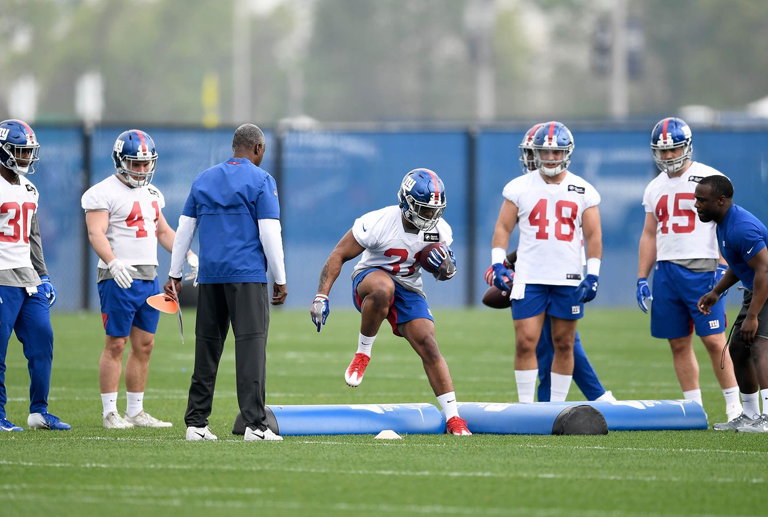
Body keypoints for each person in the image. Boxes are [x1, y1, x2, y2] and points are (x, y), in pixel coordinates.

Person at [310, 168, 471, 436]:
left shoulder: (440, 230)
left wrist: (446, 269)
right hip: (370, 280)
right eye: (425, 209)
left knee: (429, 344)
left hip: (409, 288)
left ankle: (453, 417)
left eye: (435, 210)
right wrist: (321, 295)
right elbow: (339, 254)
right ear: (407, 202)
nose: (431, 216)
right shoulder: (379, 222)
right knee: (383, 287)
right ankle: (363, 353)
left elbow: (445, 272)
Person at [164, 123, 287, 442]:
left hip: (209, 278)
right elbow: (270, 233)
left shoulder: (203, 178)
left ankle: (196, 424)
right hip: (247, 278)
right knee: (251, 351)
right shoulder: (262, 180)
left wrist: (174, 274)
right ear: (258, 148)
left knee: (206, 350)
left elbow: (184, 229)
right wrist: (280, 278)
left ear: (235, 147)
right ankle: (255, 426)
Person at [82, 129, 198, 429]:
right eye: (136, 163)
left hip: (148, 277)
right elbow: (95, 232)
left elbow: (163, 231)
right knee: (116, 343)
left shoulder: (152, 194)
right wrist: (112, 262)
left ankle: (135, 411)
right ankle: (110, 412)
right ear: (120, 161)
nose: (142, 169)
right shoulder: (103, 192)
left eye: (146, 163)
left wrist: (188, 254)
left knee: (145, 344)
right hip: (118, 277)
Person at [490, 121, 602, 404]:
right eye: (545, 152)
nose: (551, 157)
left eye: (556, 152)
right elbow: (503, 228)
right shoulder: (519, 187)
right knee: (525, 341)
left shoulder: (583, 189)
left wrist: (593, 274)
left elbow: (594, 235)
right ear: (536, 152)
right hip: (529, 276)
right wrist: (498, 264)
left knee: (564, 343)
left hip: (568, 277)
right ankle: (526, 407)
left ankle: (556, 407)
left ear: (567, 152)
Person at [637, 117, 741, 422]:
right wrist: (642, 277)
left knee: (714, 339)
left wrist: (724, 265)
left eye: (674, 149)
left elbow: (727, 224)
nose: (669, 155)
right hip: (666, 271)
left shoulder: (710, 178)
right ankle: (693, 409)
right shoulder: (654, 187)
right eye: (663, 150)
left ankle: (734, 406)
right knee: (678, 342)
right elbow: (649, 234)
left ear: (687, 147)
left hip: (703, 268)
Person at [0, 119, 70, 431]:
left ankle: (39, 411)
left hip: (27, 278)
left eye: (29, 151)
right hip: (2, 276)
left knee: (43, 339)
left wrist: (43, 274)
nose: (26, 157)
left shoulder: (30, 189)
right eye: (20, 151)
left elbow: (33, 236)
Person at [483, 250, 615, 402]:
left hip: (563, 273)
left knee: (564, 341)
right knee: (543, 346)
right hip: (537, 273)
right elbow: (535, 239)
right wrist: (506, 262)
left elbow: (549, 242)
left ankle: (597, 396)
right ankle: (546, 404)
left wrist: (506, 261)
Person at [696, 175, 768, 432]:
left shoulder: (741, 228)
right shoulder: (723, 224)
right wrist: (716, 292)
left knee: (759, 345)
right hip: (756, 289)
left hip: (765, 287)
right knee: (738, 348)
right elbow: (740, 265)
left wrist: (753, 316)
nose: (696, 205)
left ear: (721, 200)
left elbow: (764, 270)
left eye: (701, 200)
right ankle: (749, 414)